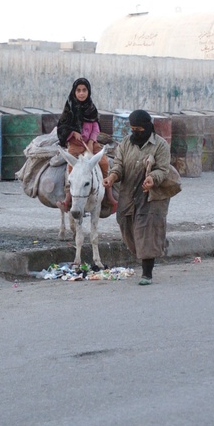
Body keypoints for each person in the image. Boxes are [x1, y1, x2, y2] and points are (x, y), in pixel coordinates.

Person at [103, 109, 171, 285]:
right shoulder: (125, 143)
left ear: (147, 127)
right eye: (132, 128)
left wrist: (152, 178)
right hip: (128, 194)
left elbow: (163, 169)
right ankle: (145, 254)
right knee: (126, 226)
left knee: (146, 230)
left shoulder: (160, 145)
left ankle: (147, 273)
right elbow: (118, 165)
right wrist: (111, 177)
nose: (135, 132)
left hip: (150, 195)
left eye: (139, 129)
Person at [55, 77, 117, 213]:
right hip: (75, 145)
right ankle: (68, 198)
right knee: (71, 168)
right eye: (78, 90)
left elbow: (95, 126)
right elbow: (62, 127)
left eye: (84, 90)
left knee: (104, 162)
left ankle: (108, 195)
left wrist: (91, 141)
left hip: (91, 144)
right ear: (74, 92)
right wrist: (72, 133)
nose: (81, 93)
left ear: (88, 92)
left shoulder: (91, 108)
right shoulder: (69, 108)